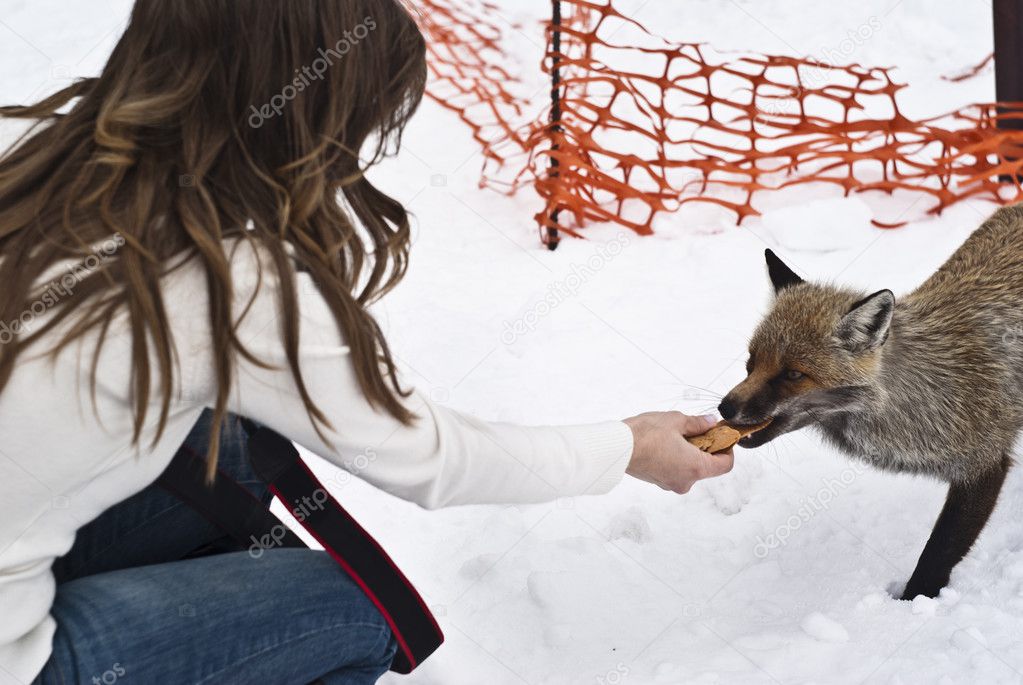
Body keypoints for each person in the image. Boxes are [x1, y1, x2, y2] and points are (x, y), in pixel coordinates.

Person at [0, 1, 734, 683]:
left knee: (226, 443)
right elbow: (435, 460)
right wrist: (629, 444)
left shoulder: (31, 146)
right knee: (356, 610)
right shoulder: (232, 282)